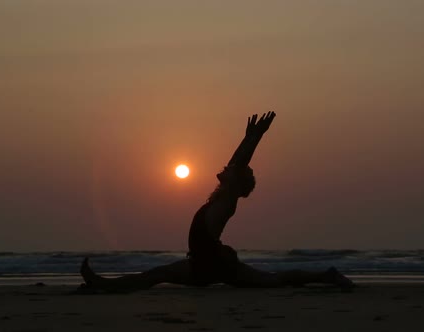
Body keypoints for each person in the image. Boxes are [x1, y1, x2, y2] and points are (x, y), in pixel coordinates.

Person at [80, 112, 353, 292]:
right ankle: (101, 284)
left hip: (214, 266)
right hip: (205, 264)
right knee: (155, 274)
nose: (225, 168)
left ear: (234, 183)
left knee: (273, 280)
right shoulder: (221, 196)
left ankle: (327, 275)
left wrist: (255, 137)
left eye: (231, 172)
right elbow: (235, 163)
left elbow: (239, 163)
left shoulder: (227, 200)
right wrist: (247, 137)